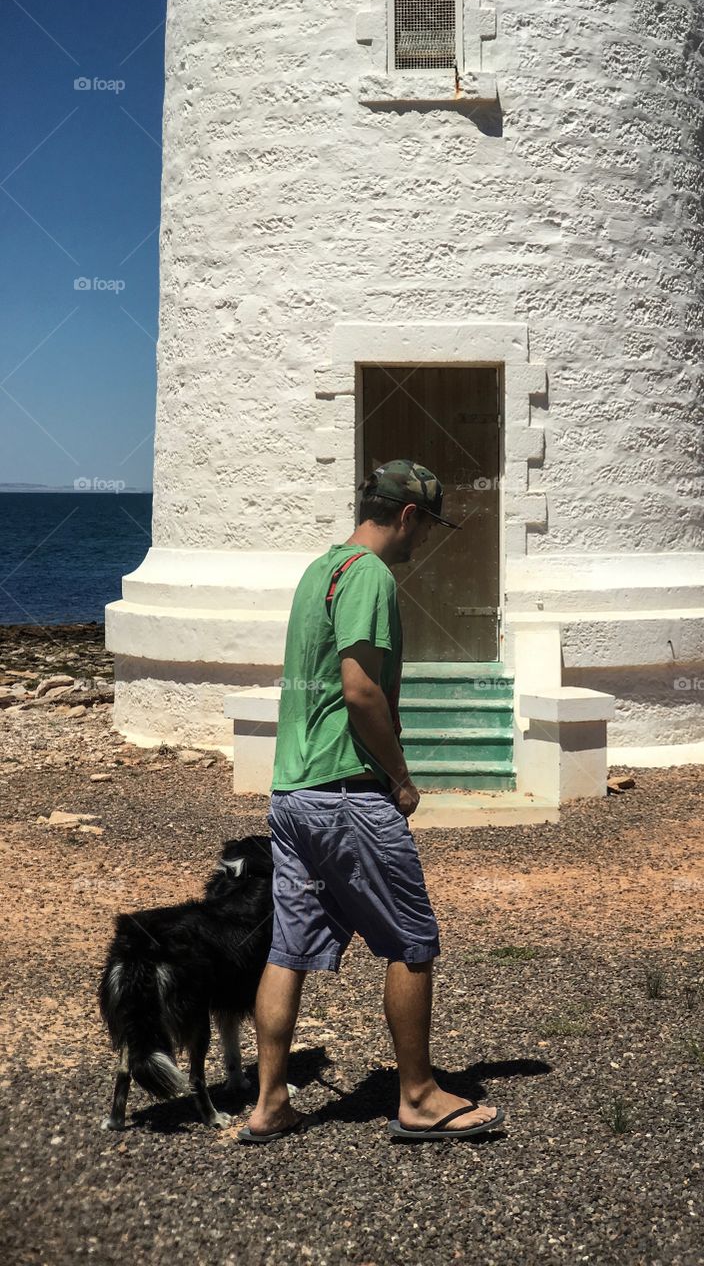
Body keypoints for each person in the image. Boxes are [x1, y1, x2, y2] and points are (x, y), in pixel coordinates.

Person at [238, 460, 505, 1143]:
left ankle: (269, 1104)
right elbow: (360, 690)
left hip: (294, 792)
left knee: (288, 947)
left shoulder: (316, 571)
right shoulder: (370, 577)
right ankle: (416, 1096)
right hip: (346, 794)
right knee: (411, 940)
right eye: (427, 526)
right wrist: (402, 779)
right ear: (408, 516)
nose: (424, 542)